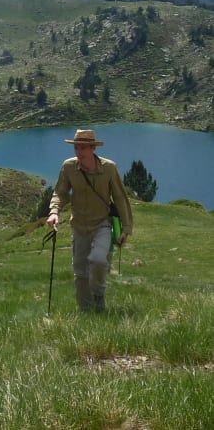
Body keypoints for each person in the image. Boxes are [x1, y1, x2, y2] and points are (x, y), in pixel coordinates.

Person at [46, 128, 133, 313]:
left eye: (84, 148)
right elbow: (60, 193)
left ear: (93, 148)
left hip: (102, 223)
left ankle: (99, 297)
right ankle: (86, 311)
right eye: (76, 147)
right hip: (78, 225)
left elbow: (119, 197)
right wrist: (54, 212)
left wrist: (126, 227)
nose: (79, 152)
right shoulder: (69, 167)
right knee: (80, 272)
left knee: (99, 260)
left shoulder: (109, 168)